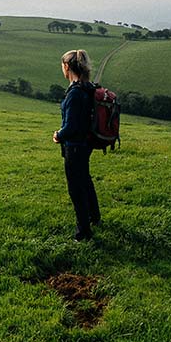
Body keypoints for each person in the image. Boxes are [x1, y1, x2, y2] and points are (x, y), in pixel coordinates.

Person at [53, 49, 101, 241]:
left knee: (76, 188)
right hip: (86, 143)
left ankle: (83, 232)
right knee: (85, 180)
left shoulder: (74, 93)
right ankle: (94, 217)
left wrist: (58, 135)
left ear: (67, 67)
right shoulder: (88, 87)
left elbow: (71, 126)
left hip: (74, 145)